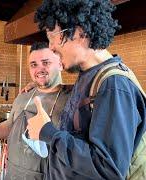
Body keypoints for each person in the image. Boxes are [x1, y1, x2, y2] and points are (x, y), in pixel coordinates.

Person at [26, 0, 146, 179]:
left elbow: (108, 170)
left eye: (53, 36)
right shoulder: (89, 76)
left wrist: (49, 133)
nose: (51, 46)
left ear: (80, 32)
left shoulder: (114, 85)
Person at [0, 42, 72, 179]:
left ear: (61, 64)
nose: (40, 69)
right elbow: (9, 126)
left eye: (46, 63)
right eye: (34, 65)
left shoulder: (71, 100)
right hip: (14, 174)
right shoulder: (24, 96)